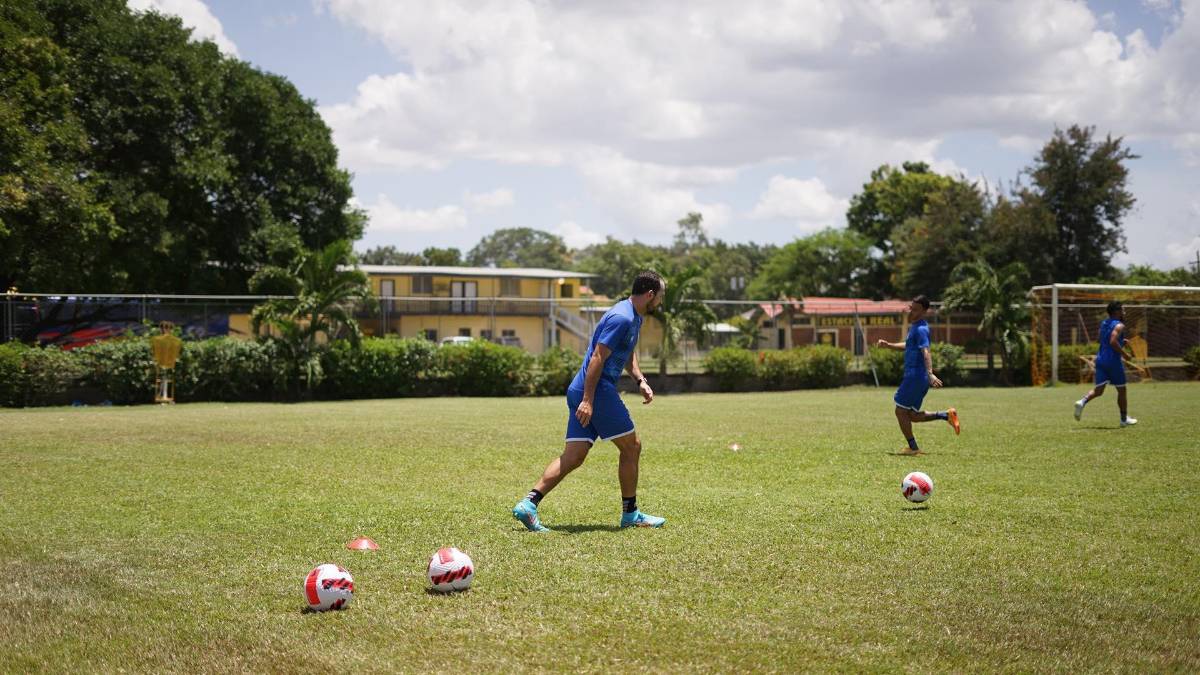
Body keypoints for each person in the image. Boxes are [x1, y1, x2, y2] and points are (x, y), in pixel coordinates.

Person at [512, 271, 666, 532]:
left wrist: (640, 380)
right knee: (632, 447)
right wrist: (588, 400)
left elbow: (627, 352)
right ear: (650, 294)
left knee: (574, 456)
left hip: (583, 388)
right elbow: (597, 357)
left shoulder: (633, 317)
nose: (660, 302)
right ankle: (630, 514)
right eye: (660, 296)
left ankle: (528, 504)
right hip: (596, 390)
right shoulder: (622, 317)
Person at [876, 295, 960, 455]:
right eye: (911, 308)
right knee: (911, 415)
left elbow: (925, 351)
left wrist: (930, 373)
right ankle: (946, 415)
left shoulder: (921, 329)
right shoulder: (915, 327)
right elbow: (909, 345)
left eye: (915, 309)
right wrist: (889, 345)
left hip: (915, 376)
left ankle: (913, 448)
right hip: (915, 376)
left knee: (900, 411)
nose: (911, 311)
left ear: (924, 311)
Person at [1074, 301, 1137, 426]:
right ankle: (1124, 420)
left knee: (1099, 390)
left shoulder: (1104, 323)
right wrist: (1125, 354)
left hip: (1101, 359)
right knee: (1122, 390)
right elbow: (1113, 341)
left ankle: (1082, 401)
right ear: (1116, 311)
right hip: (1113, 361)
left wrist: (1121, 341)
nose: (1124, 312)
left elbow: (1105, 340)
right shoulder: (1119, 325)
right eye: (1122, 310)